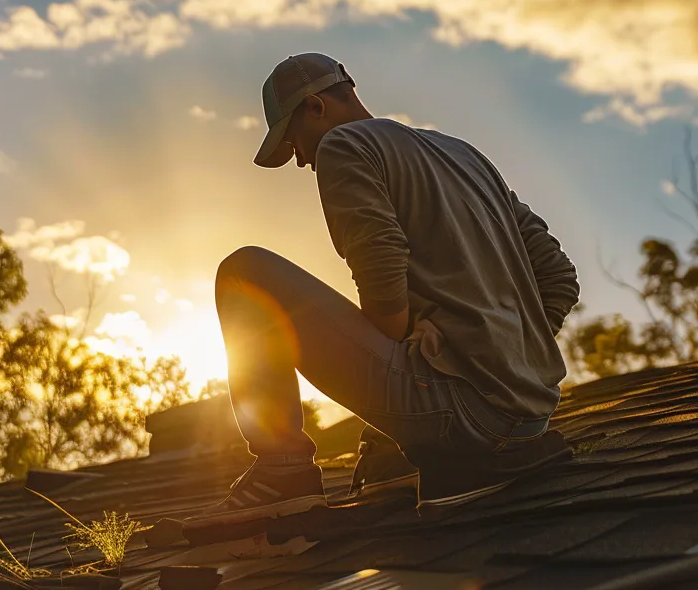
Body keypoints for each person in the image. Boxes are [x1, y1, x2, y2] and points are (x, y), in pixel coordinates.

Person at [189, 53, 580, 527]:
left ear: (316, 106)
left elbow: (384, 282)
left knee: (243, 272)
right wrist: (506, 354)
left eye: (293, 142)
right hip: (527, 422)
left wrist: (411, 339)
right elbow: (559, 277)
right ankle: (393, 460)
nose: (301, 160)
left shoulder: (343, 146)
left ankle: (282, 473)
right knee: (402, 349)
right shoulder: (464, 155)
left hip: (461, 417)